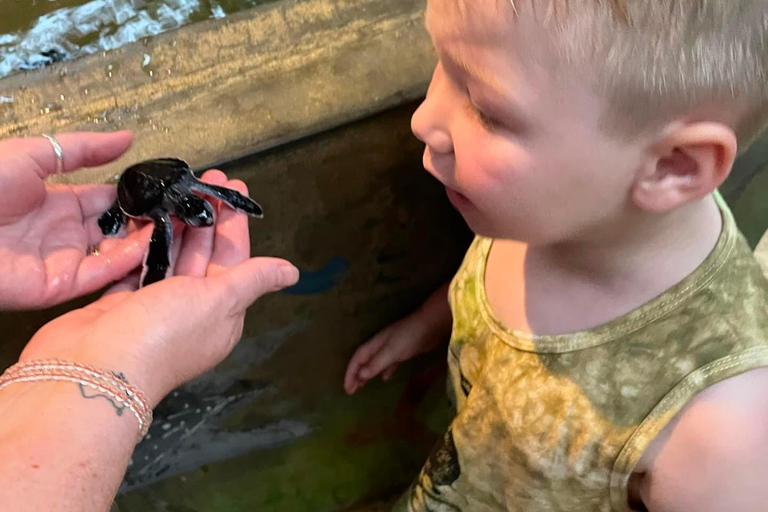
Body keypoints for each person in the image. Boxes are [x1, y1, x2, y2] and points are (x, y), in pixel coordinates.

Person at [344, 0, 768, 511]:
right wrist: (429, 322)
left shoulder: (718, 428)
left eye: (484, 107)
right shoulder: (563, 209)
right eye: (442, 64)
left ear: (673, 166)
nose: (423, 120)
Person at [0, 131, 299, 512]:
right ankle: (115, 212)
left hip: (173, 176)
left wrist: (233, 202)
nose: (205, 218)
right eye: (201, 214)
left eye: (204, 212)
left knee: (197, 209)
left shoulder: (193, 186)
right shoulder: (163, 214)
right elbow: (160, 250)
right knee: (160, 241)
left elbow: (214, 195)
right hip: (134, 194)